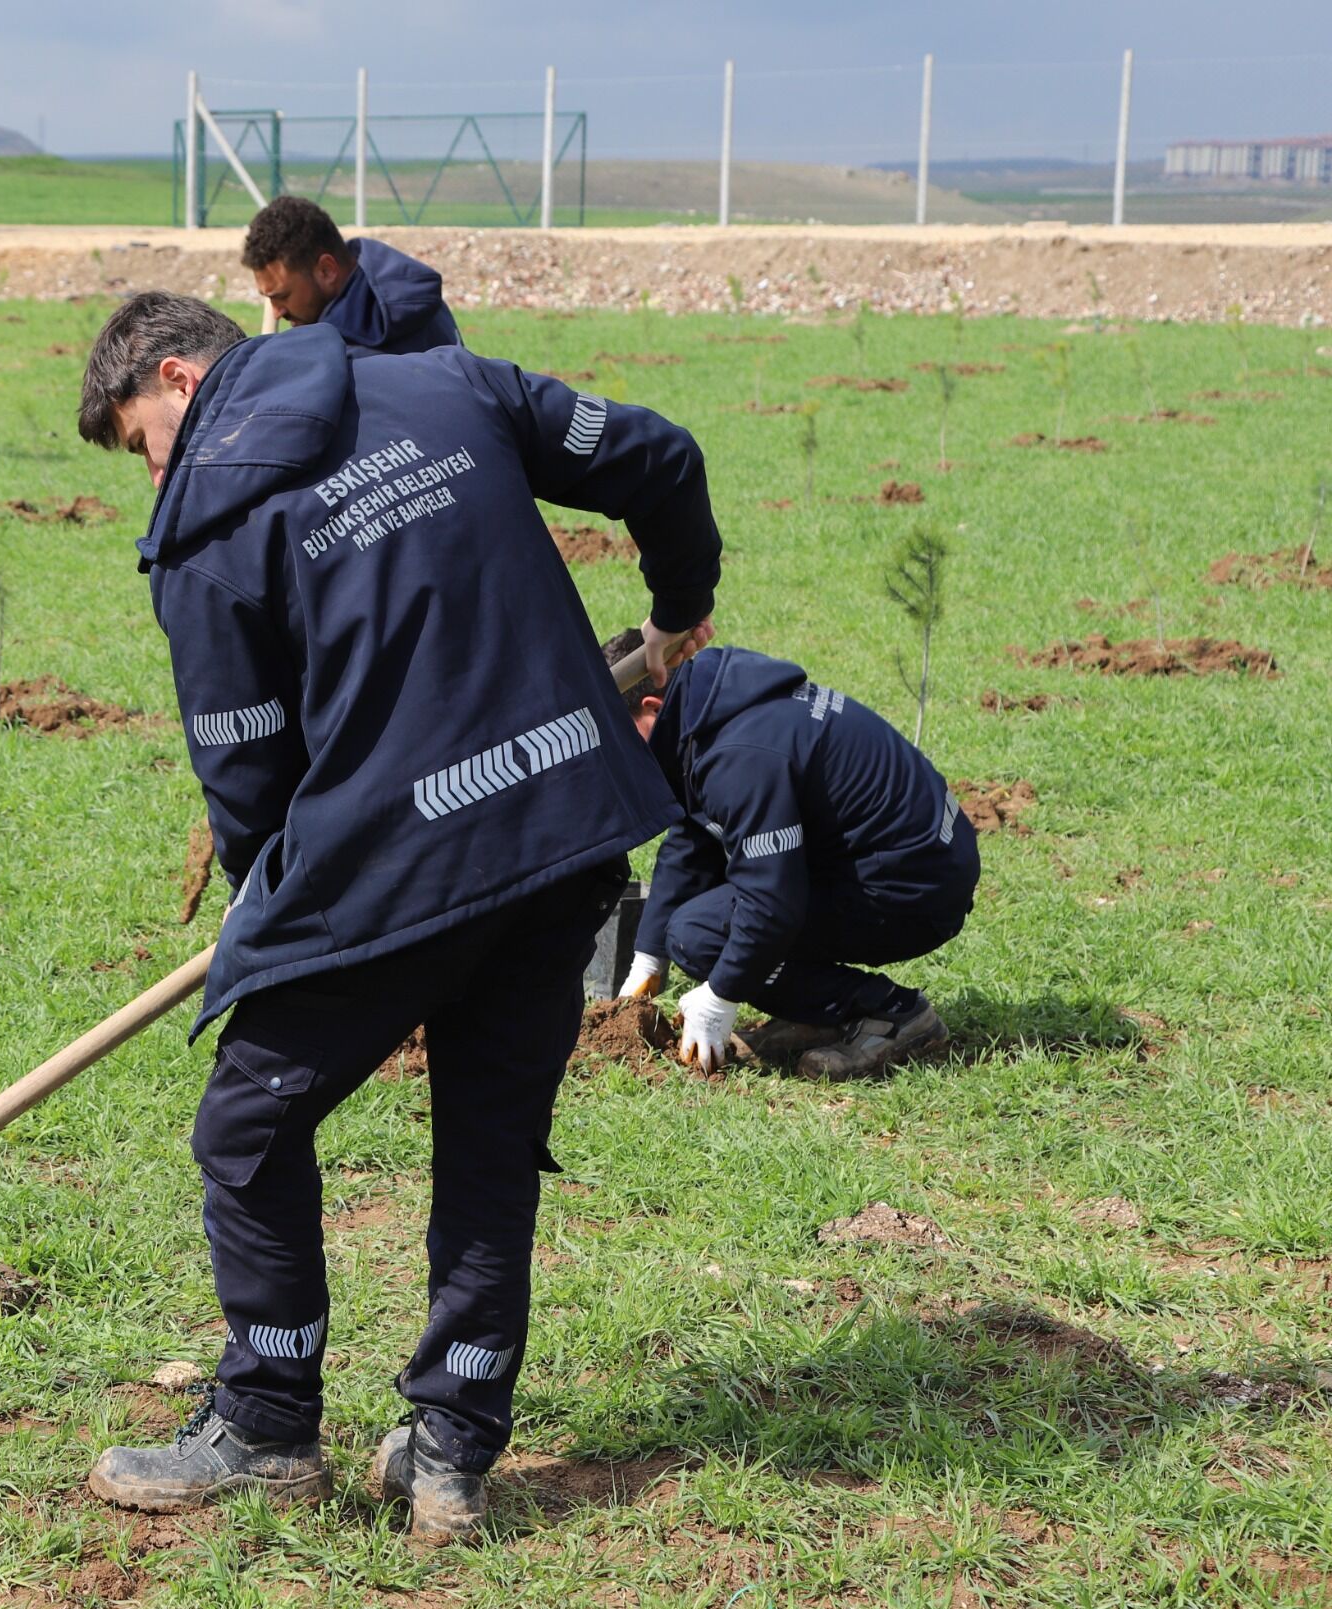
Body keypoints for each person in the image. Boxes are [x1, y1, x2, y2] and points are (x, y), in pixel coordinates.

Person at [72, 291, 721, 1537]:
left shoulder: (205, 532)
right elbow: (659, 456)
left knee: (245, 1129)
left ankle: (265, 1424)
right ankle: (450, 1452)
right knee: (486, 1137)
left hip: (400, 872)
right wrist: (679, 600)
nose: (154, 476)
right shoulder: (443, 384)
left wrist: (284, 916)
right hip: (562, 829)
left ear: (178, 376)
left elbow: (247, 776)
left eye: (140, 441)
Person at [608, 634, 980, 1080]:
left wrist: (721, 995)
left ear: (651, 705)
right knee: (687, 931)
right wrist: (649, 956)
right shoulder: (708, 708)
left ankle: (893, 1014)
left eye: (618, 737)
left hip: (915, 888)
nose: (617, 758)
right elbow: (693, 838)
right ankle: (816, 1016)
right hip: (909, 861)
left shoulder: (738, 756)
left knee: (699, 936)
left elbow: (772, 903)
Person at [241, 195, 461, 355]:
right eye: (269, 298)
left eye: (283, 295)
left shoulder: (339, 356)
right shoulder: (410, 294)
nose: (277, 312)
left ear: (327, 270)